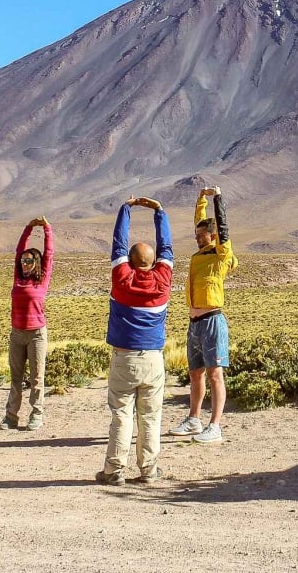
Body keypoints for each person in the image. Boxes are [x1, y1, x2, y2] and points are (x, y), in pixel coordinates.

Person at [96, 195, 173, 486]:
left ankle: (114, 470)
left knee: (121, 415)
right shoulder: (163, 279)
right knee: (150, 417)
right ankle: (149, 471)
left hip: (124, 359)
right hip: (153, 360)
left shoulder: (121, 277)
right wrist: (159, 211)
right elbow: (167, 247)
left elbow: (118, 243)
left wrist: (126, 209)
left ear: (129, 261)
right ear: (153, 263)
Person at [167, 186, 237, 444]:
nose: (197, 238)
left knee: (214, 373)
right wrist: (200, 199)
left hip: (212, 322)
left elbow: (223, 228)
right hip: (194, 323)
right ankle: (193, 419)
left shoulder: (220, 255)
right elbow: (200, 220)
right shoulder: (199, 255)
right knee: (195, 373)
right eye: (196, 235)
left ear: (213, 235)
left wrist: (218, 198)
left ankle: (215, 426)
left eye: (202, 235)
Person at [3, 216, 53, 431]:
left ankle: (36, 415)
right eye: (23, 261)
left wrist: (46, 229)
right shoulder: (18, 278)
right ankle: (11, 417)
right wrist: (28, 228)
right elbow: (18, 252)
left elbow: (49, 254)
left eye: (29, 261)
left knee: (37, 377)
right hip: (17, 334)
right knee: (15, 377)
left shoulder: (42, 280)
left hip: (36, 334)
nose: (25, 264)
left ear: (37, 263)